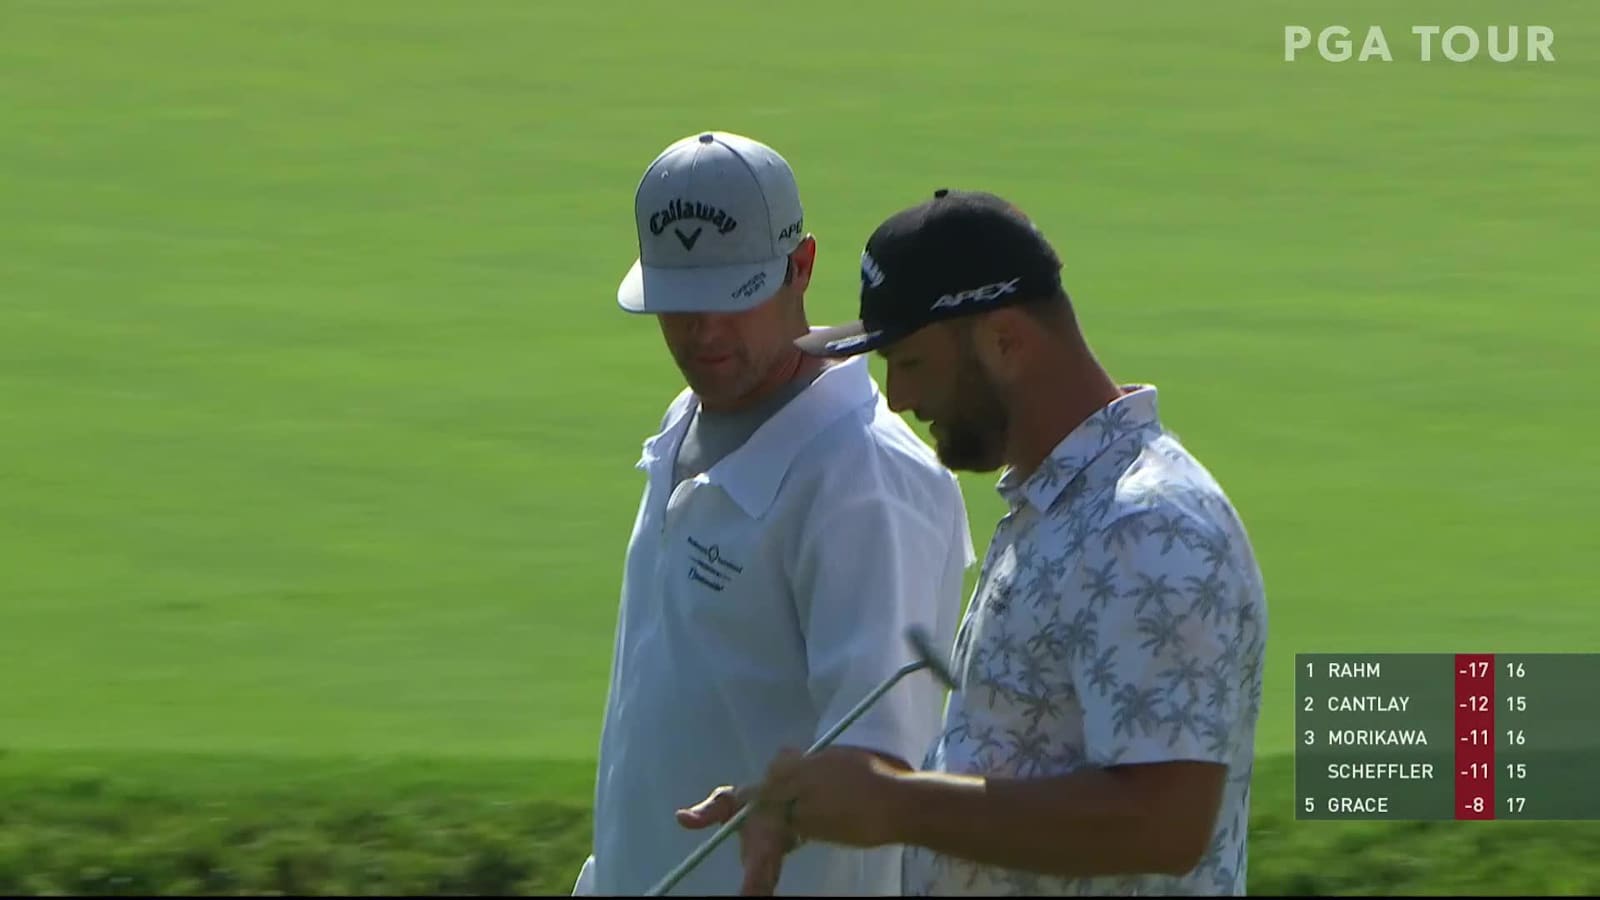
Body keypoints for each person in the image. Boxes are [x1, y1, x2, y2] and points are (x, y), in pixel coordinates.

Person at [679, 188, 1269, 895]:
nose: (895, 396)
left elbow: (1164, 825)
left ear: (1004, 341)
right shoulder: (1058, 510)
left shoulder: (1146, 525)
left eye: (911, 361)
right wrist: (834, 800)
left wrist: (899, 805)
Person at [571, 134, 976, 896]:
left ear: (803, 266)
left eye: (733, 294)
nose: (704, 332)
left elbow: (880, 782)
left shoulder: (867, 481)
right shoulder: (689, 415)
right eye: (680, 301)